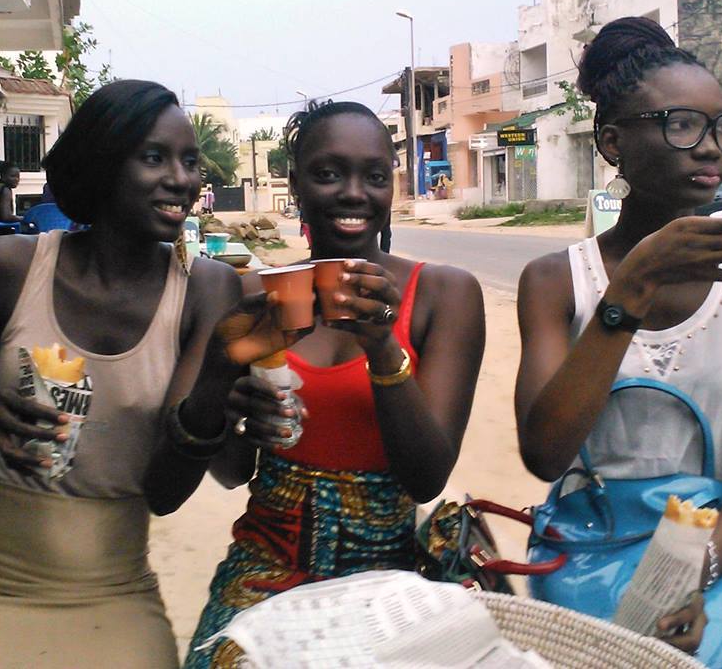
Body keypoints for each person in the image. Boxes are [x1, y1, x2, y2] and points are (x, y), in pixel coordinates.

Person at [0, 79, 281, 668]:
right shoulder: (9, 268)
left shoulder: (205, 288)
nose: (181, 179)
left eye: (190, 162)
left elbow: (166, 495)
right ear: (103, 163)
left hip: (119, 593)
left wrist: (221, 378)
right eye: (154, 157)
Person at [147, 100, 486, 668]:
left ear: (391, 188)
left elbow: (426, 478)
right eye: (328, 174)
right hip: (263, 572)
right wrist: (229, 394)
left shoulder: (442, 296)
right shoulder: (259, 296)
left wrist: (382, 345)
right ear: (296, 186)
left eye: (374, 176)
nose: (354, 193)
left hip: (385, 584)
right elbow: (231, 473)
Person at [514, 17, 722, 659]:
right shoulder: (556, 282)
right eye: (681, 125)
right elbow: (545, 453)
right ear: (613, 144)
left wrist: (683, 582)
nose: (711, 147)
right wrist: (630, 292)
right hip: (595, 560)